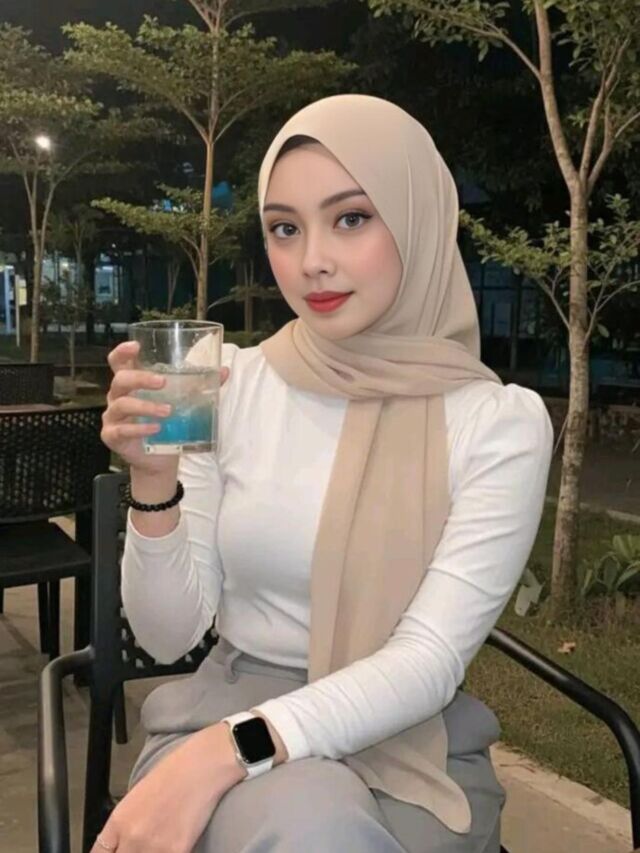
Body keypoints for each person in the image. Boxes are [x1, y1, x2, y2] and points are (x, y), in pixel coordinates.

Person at [97, 94, 553, 853]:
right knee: (314, 826)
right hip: (227, 703)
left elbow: (428, 661)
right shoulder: (229, 383)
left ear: (418, 219)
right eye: (285, 228)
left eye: (351, 218)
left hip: (403, 736)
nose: (312, 260)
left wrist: (232, 750)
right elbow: (168, 637)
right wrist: (152, 482)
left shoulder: (496, 424)